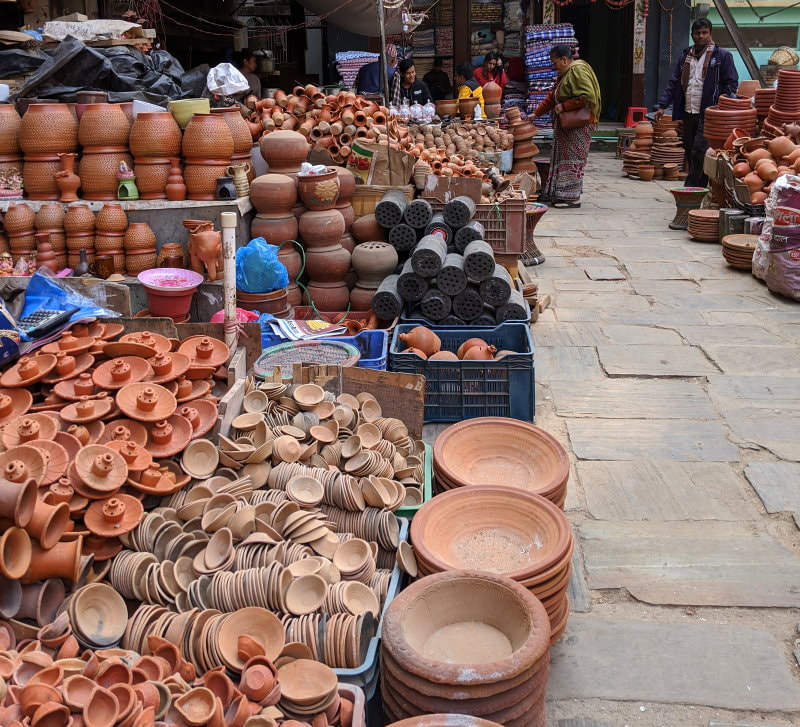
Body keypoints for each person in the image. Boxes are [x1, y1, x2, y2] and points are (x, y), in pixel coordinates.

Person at [654, 18, 738, 187]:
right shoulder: (686, 56)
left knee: (699, 150)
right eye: (697, 33)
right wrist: (662, 105)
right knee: (690, 147)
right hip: (688, 110)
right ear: (692, 35)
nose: (701, 36)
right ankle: (700, 183)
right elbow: (673, 82)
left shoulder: (722, 56)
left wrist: (723, 107)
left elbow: (731, 84)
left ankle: (693, 186)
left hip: (709, 113)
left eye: (704, 33)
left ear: (710, 34)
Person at [532, 45, 602, 209]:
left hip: (579, 126)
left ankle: (573, 198)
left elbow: (587, 97)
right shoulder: (565, 74)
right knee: (565, 159)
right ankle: (563, 194)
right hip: (568, 127)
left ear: (564, 59)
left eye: (554, 62)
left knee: (573, 160)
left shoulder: (577, 71)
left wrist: (564, 107)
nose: (553, 65)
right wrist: (536, 114)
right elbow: (553, 96)